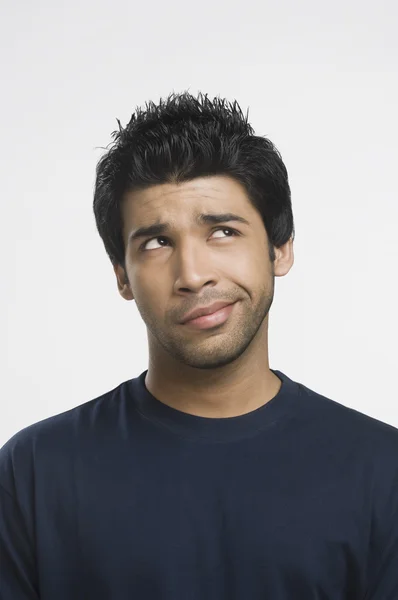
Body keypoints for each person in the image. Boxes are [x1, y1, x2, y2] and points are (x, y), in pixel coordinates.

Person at [1, 92, 397, 600]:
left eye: (223, 232)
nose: (192, 274)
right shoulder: (33, 473)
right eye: (156, 243)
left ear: (280, 248)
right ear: (122, 276)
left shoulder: (382, 472)